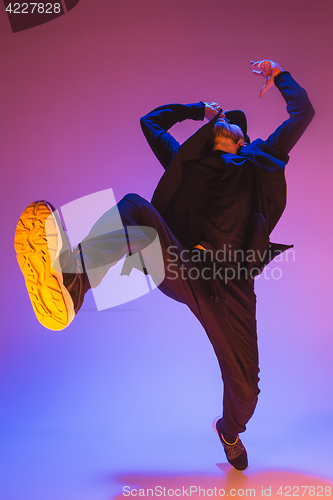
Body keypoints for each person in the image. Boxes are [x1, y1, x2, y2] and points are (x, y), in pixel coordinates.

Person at [14, 60, 314, 470]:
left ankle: (228, 430)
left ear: (246, 138)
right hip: (184, 264)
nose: (227, 125)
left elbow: (303, 113)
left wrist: (280, 75)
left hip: (231, 284)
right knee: (137, 208)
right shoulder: (188, 163)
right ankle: (70, 282)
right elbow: (150, 123)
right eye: (222, 123)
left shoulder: (262, 161)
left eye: (234, 124)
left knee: (246, 393)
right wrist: (197, 110)